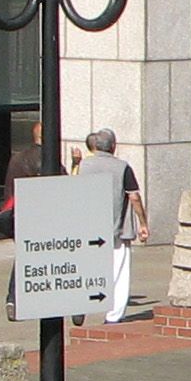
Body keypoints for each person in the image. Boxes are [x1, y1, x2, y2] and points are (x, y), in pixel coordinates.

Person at [71, 128, 149, 325]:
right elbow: (134, 197)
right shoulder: (122, 167)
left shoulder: (84, 166)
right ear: (114, 146)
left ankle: (80, 304)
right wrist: (143, 223)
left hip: (87, 229)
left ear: (95, 146)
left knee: (87, 269)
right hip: (118, 230)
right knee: (119, 272)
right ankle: (113, 316)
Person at [1, 120, 45, 320]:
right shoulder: (47, 158)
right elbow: (61, 188)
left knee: (24, 255)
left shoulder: (17, 159)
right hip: (40, 216)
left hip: (16, 215)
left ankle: (14, 299)